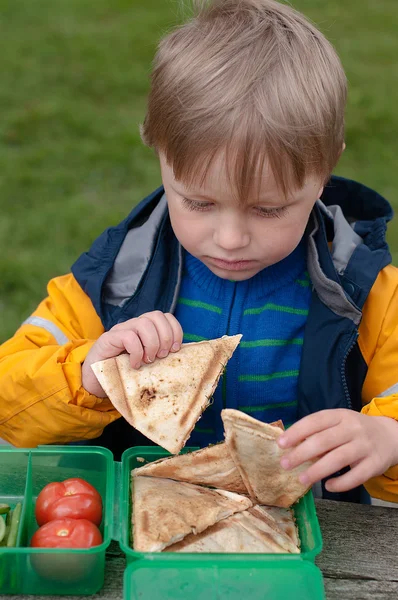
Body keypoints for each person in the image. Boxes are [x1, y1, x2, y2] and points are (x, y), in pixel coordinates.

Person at [1, 0, 397, 504]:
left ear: (324, 169)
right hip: (145, 524)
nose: (230, 238)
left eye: (269, 209)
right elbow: (8, 399)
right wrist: (90, 375)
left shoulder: (368, 296)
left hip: (305, 535)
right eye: (198, 202)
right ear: (158, 150)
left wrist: (387, 436)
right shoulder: (117, 280)